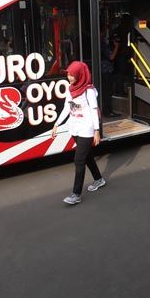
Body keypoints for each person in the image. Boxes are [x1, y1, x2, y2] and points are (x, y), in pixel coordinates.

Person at [51, 61, 106, 205]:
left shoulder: (89, 90)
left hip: (87, 129)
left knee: (79, 160)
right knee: (87, 156)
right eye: (68, 74)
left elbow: (94, 111)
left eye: (72, 75)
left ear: (80, 75)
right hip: (75, 128)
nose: (69, 77)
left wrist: (96, 131)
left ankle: (76, 194)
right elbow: (66, 109)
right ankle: (99, 179)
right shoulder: (70, 89)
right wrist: (56, 124)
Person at [100, 24, 119, 117]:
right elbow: (111, 57)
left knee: (104, 92)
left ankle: (106, 111)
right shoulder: (102, 43)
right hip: (106, 70)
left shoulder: (97, 42)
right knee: (108, 92)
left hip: (101, 70)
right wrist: (116, 46)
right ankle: (108, 112)